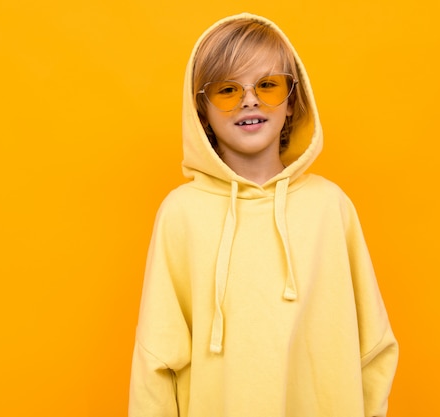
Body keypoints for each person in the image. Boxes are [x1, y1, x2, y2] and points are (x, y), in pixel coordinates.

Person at [128, 12, 398, 417]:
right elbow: (156, 357)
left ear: (292, 102)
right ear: (201, 111)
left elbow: (373, 345)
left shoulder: (331, 208)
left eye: (268, 85)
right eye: (227, 89)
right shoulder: (181, 215)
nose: (249, 100)